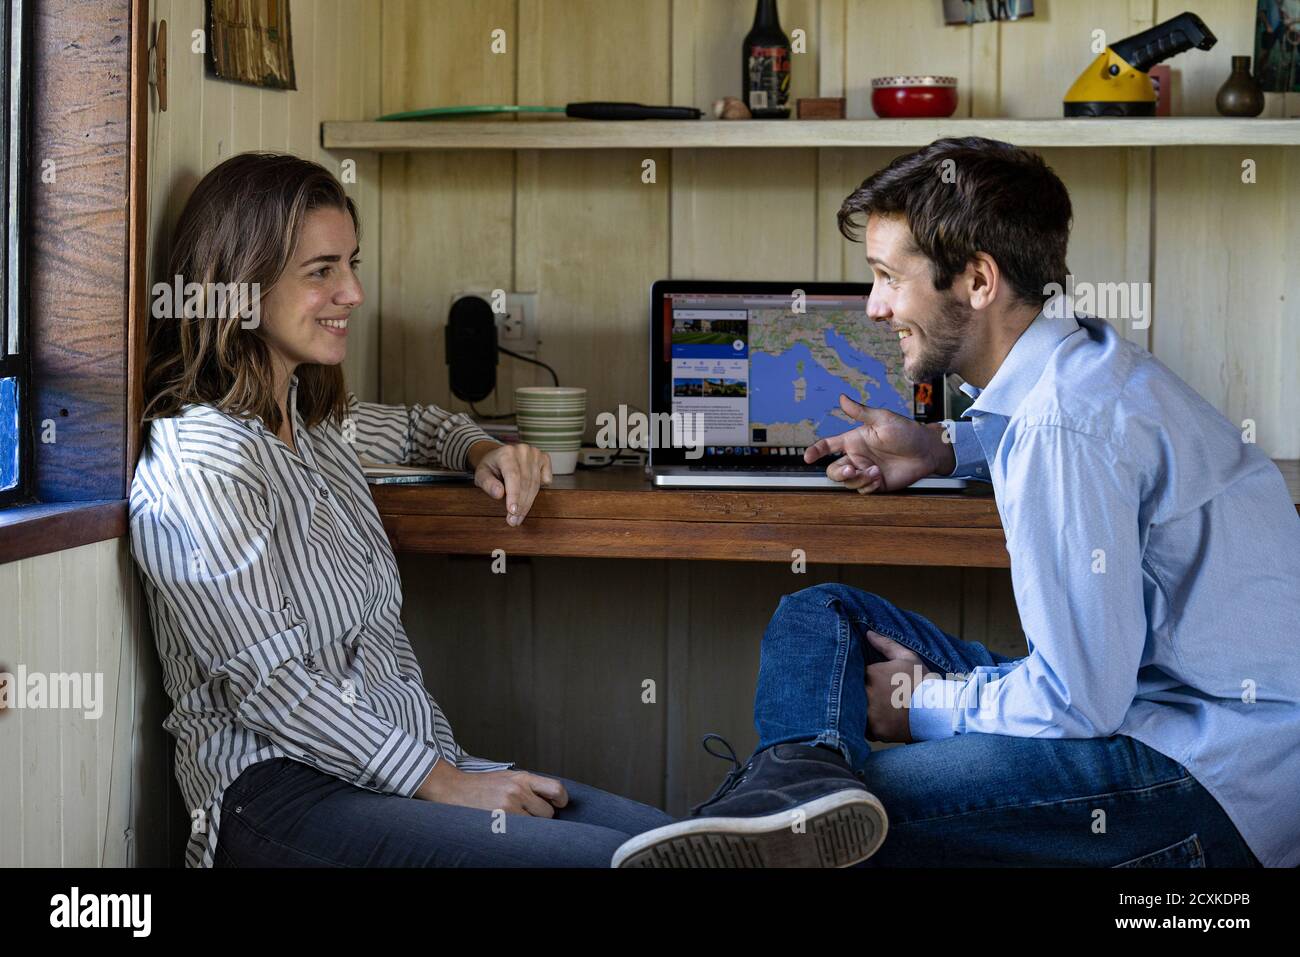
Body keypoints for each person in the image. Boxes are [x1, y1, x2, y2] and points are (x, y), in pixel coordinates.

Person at [614, 137, 1300, 868]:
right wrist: (939, 448)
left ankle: (796, 805)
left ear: (977, 280)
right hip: (1146, 694)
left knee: (866, 809)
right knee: (822, 615)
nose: (874, 308)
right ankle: (796, 784)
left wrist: (925, 704)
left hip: (1213, 766)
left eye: (886, 278)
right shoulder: (1086, 366)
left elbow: (1078, 703)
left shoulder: (1058, 427)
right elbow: (1072, 450)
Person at [129, 152, 692, 867]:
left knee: (665, 844)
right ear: (241, 287)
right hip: (280, 798)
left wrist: (483, 448)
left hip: (404, 771)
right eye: (322, 270)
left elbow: (424, 425)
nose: (354, 292)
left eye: (351, 263)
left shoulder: (312, 421)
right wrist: (448, 783)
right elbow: (268, 686)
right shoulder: (204, 460)